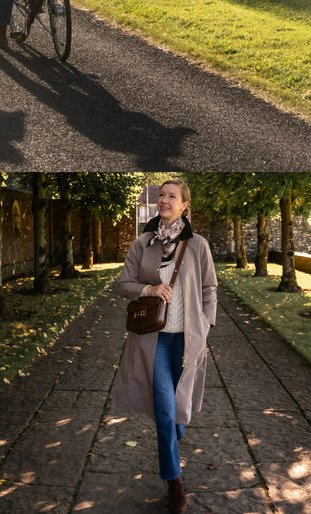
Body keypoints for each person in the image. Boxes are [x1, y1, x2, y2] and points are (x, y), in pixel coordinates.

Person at [112, 179, 217, 514]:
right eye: (161, 195)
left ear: (185, 205)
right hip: (152, 339)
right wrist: (149, 290)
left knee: (176, 410)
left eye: (172, 196)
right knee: (164, 408)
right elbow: (124, 284)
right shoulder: (142, 243)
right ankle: (175, 481)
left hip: (186, 338)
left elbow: (209, 288)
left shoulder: (198, 245)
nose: (164, 200)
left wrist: (207, 325)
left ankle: (177, 426)